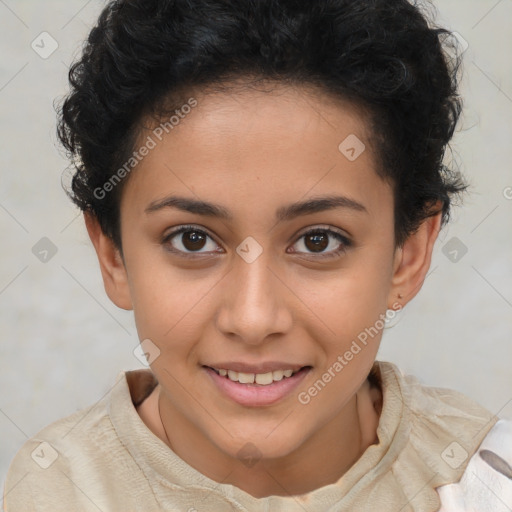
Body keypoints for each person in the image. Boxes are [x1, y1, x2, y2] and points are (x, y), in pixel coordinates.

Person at [4, 0, 512, 510]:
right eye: (192, 239)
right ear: (113, 255)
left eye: (319, 240)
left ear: (408, 255)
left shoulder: (484, 482)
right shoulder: (56, 492)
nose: (252, 319)